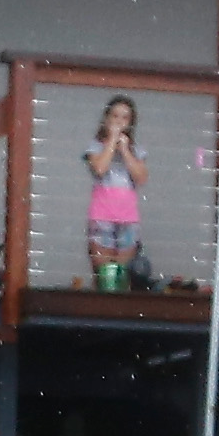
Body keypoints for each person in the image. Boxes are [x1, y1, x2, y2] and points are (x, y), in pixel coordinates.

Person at [81, 92, 146, 291]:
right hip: (102, 216)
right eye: (115, 116)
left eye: (124, 117)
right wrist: (111, 140)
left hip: (128, 218)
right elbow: (99, 168)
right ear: (107, 118)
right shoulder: (95, 146)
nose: (119, 121)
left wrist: (125, 150)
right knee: (103, 275)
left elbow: (141, 178)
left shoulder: (137, 150)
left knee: (123, 275)